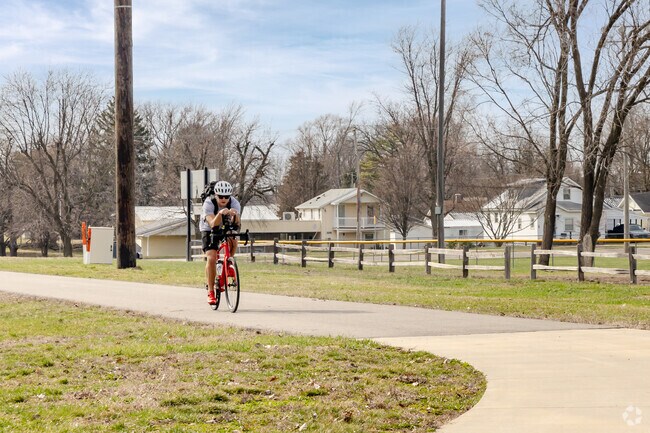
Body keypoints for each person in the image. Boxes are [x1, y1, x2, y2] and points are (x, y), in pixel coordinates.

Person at [200, 180, 241, 305]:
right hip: (209, 229)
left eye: (226, 197)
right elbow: (212, 224)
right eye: (221, 197)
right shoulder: (209, 203)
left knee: (233, 239)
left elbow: (237, 225)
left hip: (225, 227)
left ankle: (229, 263)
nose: (223, 199)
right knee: (211, 257)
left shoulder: (234, 203)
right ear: (216, 195)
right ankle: (211, 291)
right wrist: (220, 213)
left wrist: (234, 215)